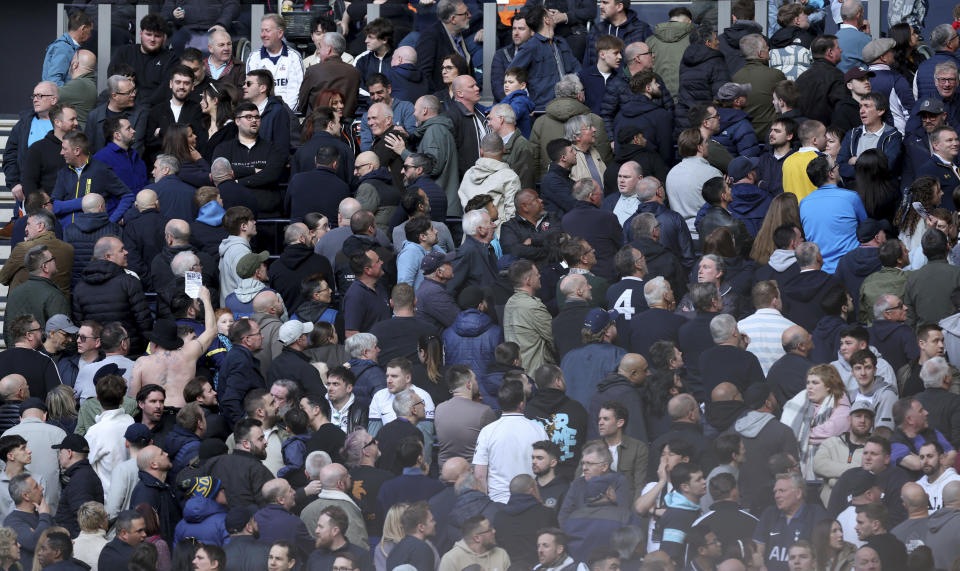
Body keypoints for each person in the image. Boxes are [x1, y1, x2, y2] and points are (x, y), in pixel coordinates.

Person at [797, 155, 867, 273]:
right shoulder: (851, 197)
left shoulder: (804, 203)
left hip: (821, 271)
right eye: (836, 164)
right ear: (831, 174)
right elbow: (866, 228)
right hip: (851, 269)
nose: (838, 167)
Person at [753, 472, 827, 571]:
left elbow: (822, 554)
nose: (776, 496)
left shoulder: (816, 514)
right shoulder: (769, 514)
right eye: (775, 492)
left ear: (798, 493)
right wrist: (761, 567)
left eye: (782, 491)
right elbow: (758, 549)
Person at [795, 35, 847, 126]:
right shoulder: (837, 76)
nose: (841, 50)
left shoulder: (802, 77)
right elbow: (841, 109)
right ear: (830, 52)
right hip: (825, 133)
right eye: (838, 48)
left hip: (804, 132)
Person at [437, 515, 511, 571]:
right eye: (489, 530)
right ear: (477, 538)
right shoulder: (451, 559)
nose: (494, 531)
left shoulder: (501, 554)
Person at [42, 10, 92, 87]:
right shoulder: (63, 47)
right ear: (83, 28)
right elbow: (54, 82)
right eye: (90, 30)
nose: (90, 35)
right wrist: (71, 95)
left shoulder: (68, 47)